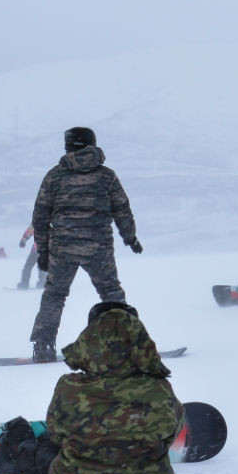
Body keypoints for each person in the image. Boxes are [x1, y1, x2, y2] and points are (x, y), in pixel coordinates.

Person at [3, 302, 182, 474]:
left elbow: (57, 436)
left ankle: (22, 449)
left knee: (46, 447)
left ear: (91, 339)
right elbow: (174, 431)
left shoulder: (70, 388)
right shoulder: (160, 388)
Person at [29, 127, 140, 362]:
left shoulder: (54, 176)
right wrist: (130, 238)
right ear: (93, 144)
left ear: (68, 146)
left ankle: (43, 345)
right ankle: (125, 344)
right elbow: (122, 209)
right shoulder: (107, 176)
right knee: (111, 293)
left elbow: (40, 216)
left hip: (63, 248)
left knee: (54, 296)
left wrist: (43, 249)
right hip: (98, 247)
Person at [16, 224, 45, 289]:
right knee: (41, 268)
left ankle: (25, 284)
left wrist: (23, 240)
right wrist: (23, 241)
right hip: (41, 250)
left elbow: (29, 231)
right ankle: (42, 283)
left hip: (38, 250)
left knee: (28, 267)